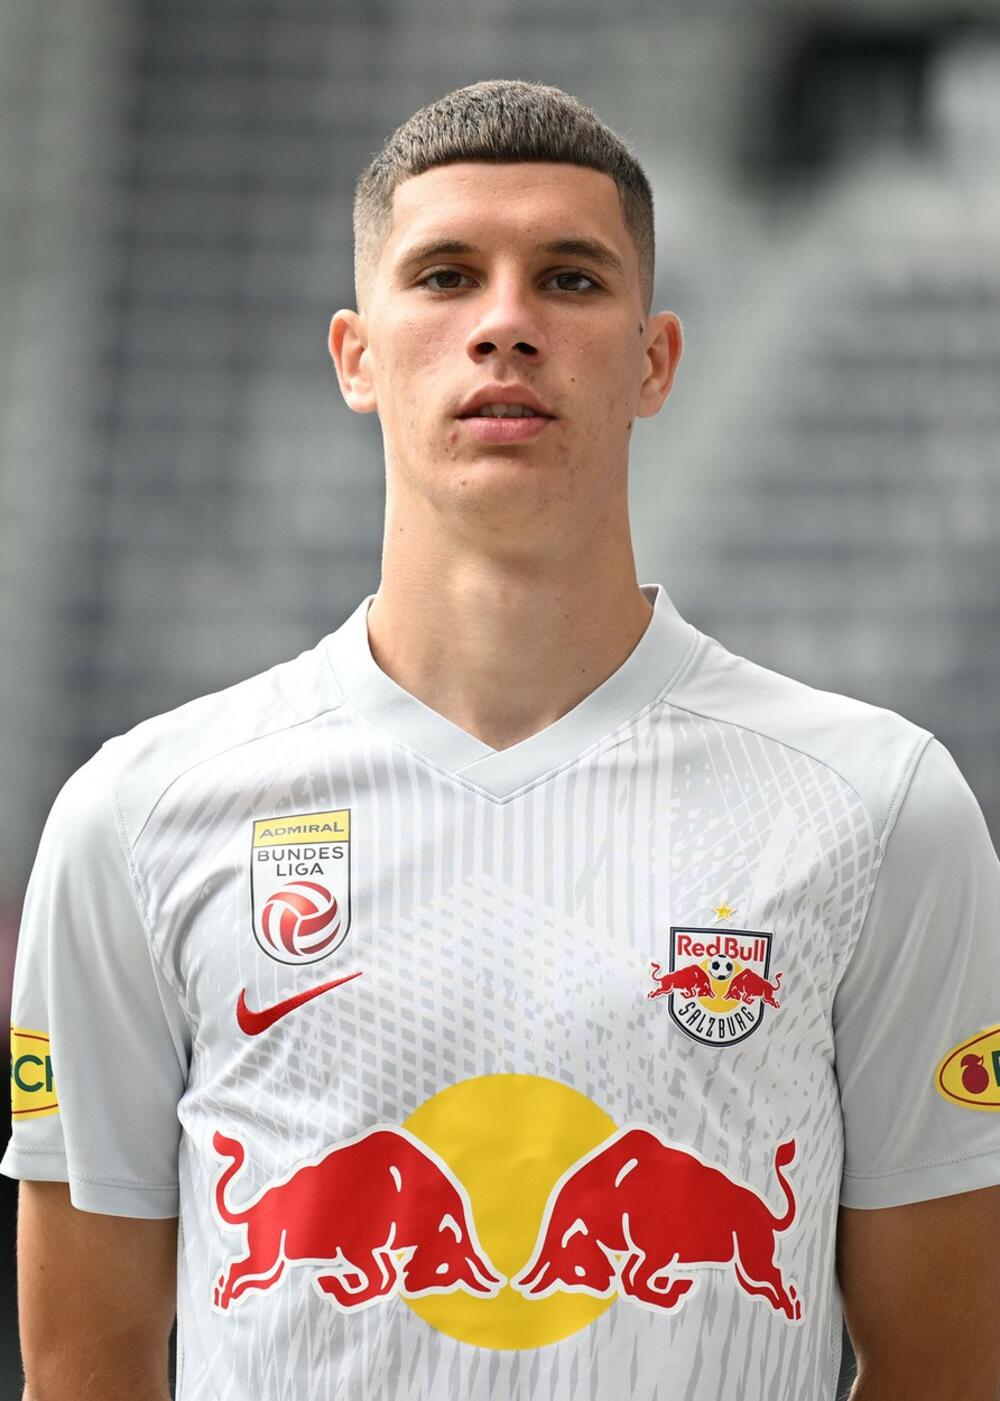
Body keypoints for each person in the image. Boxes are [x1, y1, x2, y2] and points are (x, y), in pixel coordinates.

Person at [4, 77, 1000, 1401]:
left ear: (656, 361)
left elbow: (943, 1364)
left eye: (571, 280)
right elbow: (85, 1361)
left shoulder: (877, 809)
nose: (506, 324)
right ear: (357, 356)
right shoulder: (137, 818)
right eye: (446, 276)